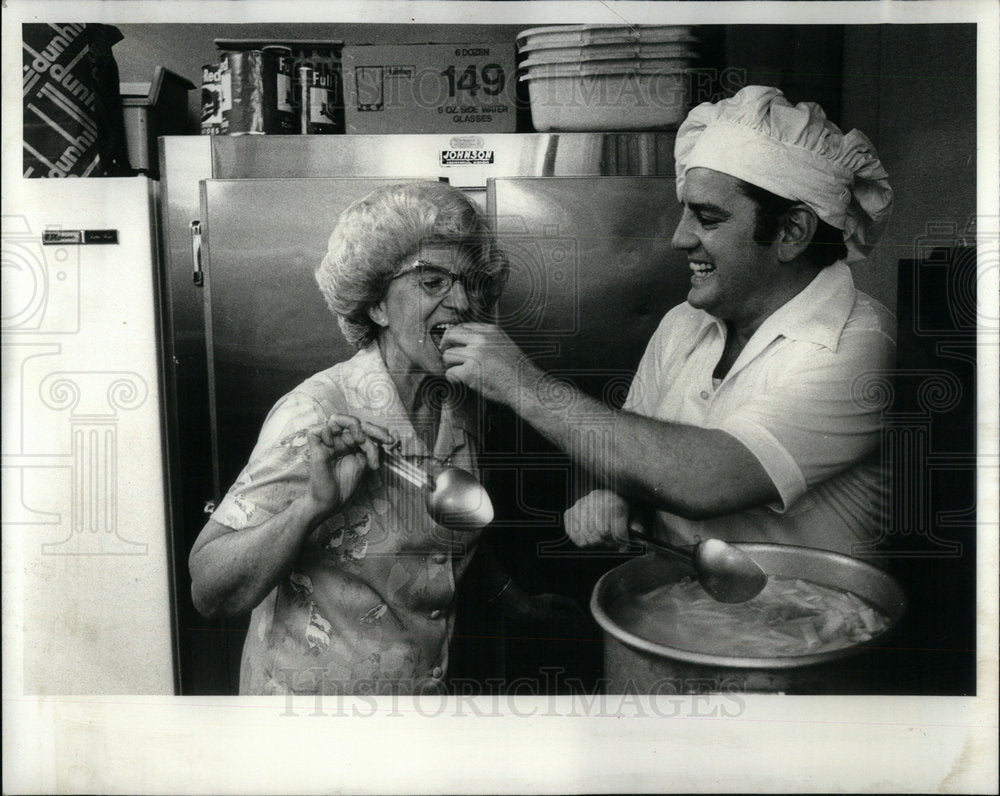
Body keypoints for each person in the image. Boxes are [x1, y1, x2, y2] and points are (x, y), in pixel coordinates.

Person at [441, 85, 895, 558]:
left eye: (708, 218)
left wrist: (521, 383)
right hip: (673, 610)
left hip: (808, 622)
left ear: (791, 231)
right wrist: (616, 497)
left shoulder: (860, 346)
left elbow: (703, 479)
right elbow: (634, 458)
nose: (680, 238)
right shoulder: (684, 323)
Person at [189, 181, 546, 696]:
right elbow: (209, 587)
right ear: (377, 305)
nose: (462, 301)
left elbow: (444, 538)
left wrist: (517, 601)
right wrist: (311, 506)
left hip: (416, 711)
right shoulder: (315, 414)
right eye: (433, 282)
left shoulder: (461, 400)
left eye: (469, 283)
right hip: (312, 728)